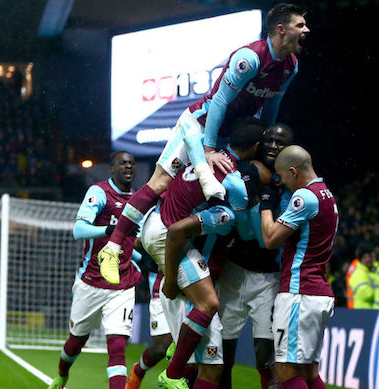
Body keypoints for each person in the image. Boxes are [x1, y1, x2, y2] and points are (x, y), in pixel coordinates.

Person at [97, 3, 310, 286]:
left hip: (228, 136)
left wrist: (263, 143)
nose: (306, 30)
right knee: (161, 183)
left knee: (209, 196)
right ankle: (112, 248)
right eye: (300, 25)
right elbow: (220, 101)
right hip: (200, 125)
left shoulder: (290, 66)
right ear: (281, 30)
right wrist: (208, 149)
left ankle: (180, 260)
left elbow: (272, 105)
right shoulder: (250, 58)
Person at [139, 119, 264, 389]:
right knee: (210, 366)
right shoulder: (233, 188)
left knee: (202, 366)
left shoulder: (206, 157)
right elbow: (253, 234)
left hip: (170, 248)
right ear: (254, 152)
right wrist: (260, 207)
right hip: (183, 267)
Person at [211, 123, 294, 389]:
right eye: (270, 139)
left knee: (266, 361)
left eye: (281, 140)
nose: (273, 144)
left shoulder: (289, 181)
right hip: (232, 274)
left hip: (267, 280)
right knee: (223, 361)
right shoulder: (245, 167)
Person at [259, 145, 347, 389]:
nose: (282, 183)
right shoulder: (328, 197)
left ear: (294, 171)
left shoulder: (304, 198)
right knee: (309, 372)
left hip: (299, 293)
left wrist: (266, 205)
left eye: (282, 177)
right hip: (318, 293)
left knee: (286, 370)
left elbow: (270, 238)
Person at [44, 152, 141, 389]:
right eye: (122, 162)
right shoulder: (99, 193)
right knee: (76, 341)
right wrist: (107, 228)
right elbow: (78, 230)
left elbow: (137, 237)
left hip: (122, 284)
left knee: (117, 345)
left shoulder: (139, 202)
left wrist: (138, 257)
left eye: (132, 163)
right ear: (111, 168)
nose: (128, 166)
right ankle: (62, 376)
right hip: (90, 281)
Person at [346, 243, 377, 309]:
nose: (368, 259)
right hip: (363, 312)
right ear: (360, 260)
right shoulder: (358, 273)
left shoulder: (374, 271)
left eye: (369, 256)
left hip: (373, 311)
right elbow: (366, 295)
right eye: (364, 257)